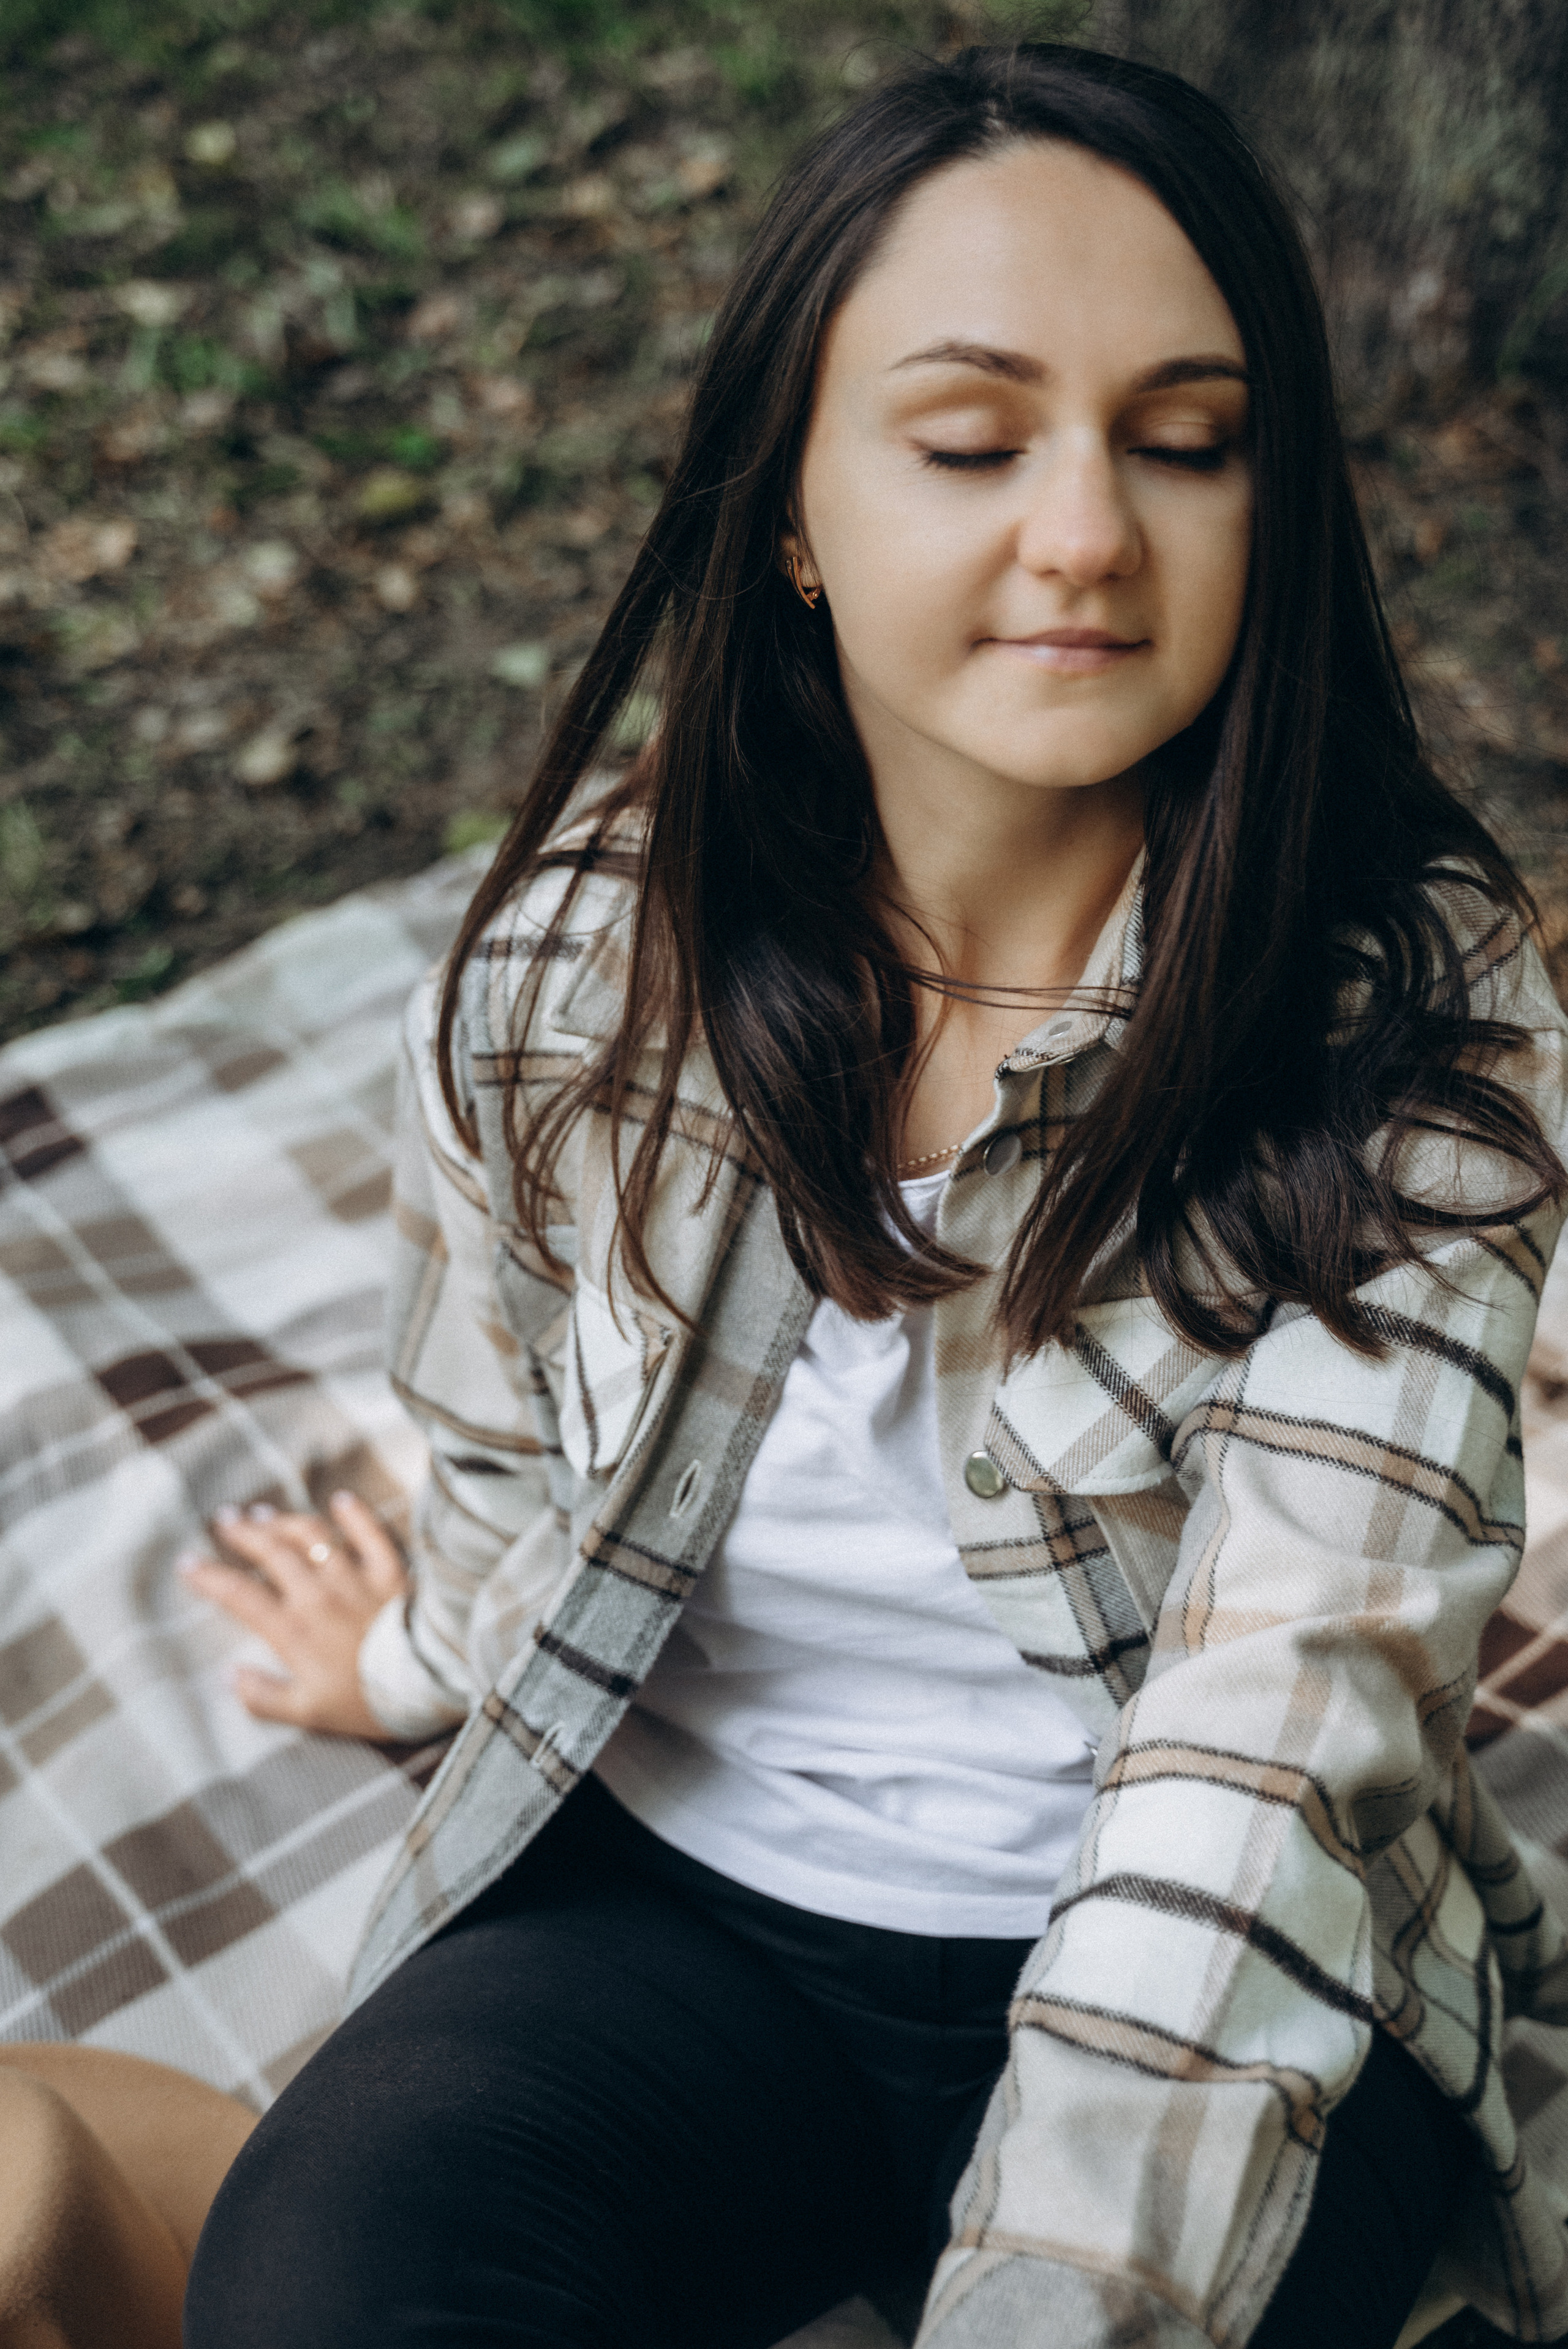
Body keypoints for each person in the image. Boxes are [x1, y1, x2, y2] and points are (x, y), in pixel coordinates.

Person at [181, 42, 1568, 2349]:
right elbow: (514, 1459)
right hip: (689, 1918)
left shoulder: (1419, 1017)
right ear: (795, 516)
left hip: (1205, 1951)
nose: (1090, 531)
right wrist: (413, 1654)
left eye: (1188, 440)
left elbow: (1280, 1745)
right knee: (327, 2273)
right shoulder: (559, 971)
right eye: (968, 438)